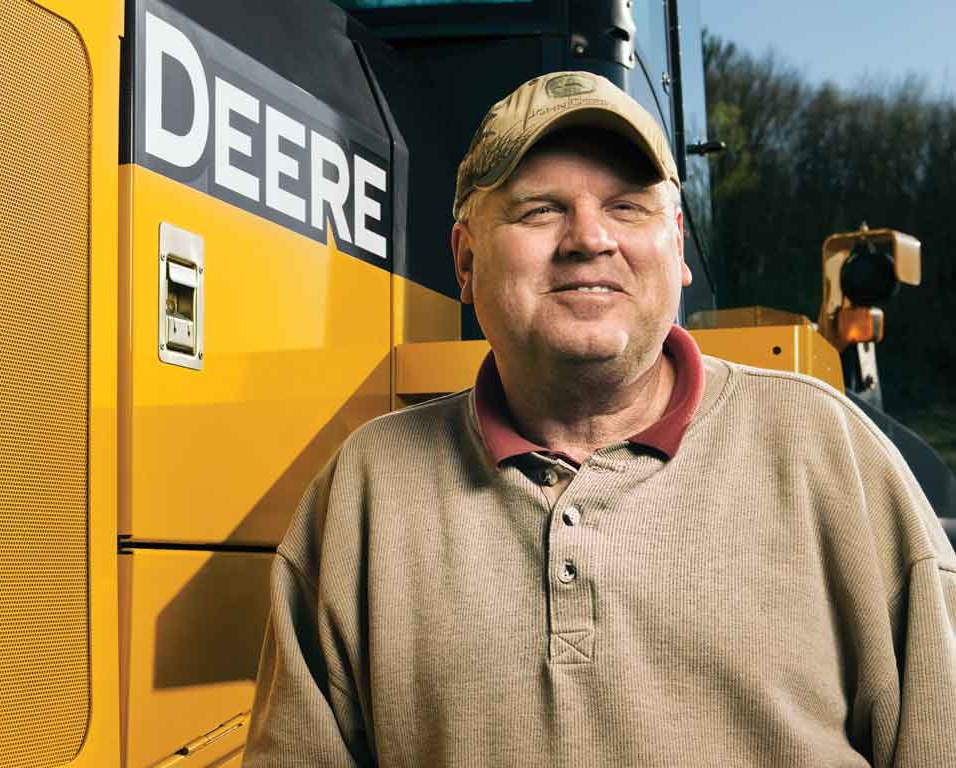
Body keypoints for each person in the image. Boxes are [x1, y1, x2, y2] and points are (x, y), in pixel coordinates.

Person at [243, 71, 956, 766]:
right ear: (464, 262)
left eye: (627, 207)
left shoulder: (829, 452)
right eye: (539, 210)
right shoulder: (364, 491)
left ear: (676, 246)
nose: (589, 238)